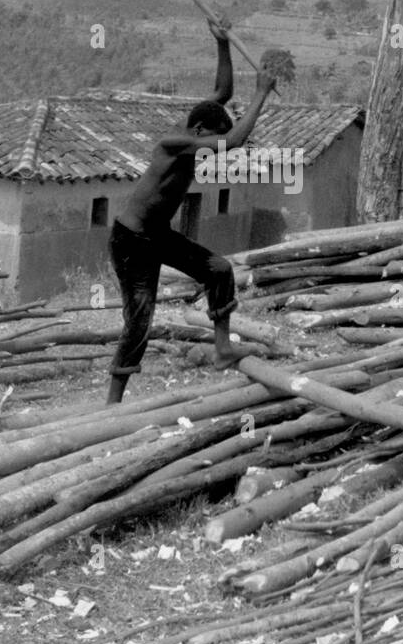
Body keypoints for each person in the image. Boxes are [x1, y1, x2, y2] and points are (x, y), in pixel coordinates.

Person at [106, 20, 277, 403]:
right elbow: (233, 140)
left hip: (157, 235)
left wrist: (222, 45)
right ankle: (113, 401)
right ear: (200, 130)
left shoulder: (193, 130)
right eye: (209, 139)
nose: (210, 147)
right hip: (131, 241)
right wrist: (261, 94)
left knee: (219, 270)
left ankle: (222, 350)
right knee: (140, 319)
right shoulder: (175, 143)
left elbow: (222, 92)